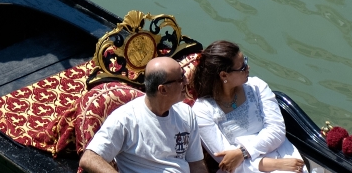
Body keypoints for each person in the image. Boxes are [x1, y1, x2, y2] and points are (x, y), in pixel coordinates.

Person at [191, 41, 305, 173]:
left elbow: (277, 130)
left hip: (281, 152)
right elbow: (227, 162)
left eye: (245, 61)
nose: (248, 67)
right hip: (244, 169)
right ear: (224, 75)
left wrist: (242, 152)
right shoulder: (202, 111)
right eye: (242, 67)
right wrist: (275, 164)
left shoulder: (257, 86)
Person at [80, 57, 208, 173]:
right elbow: (89, 158)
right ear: (163, 90)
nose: (186, 81)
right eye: (181, 79)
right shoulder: (125, 119)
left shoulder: (186, 113)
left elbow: (196, 164)